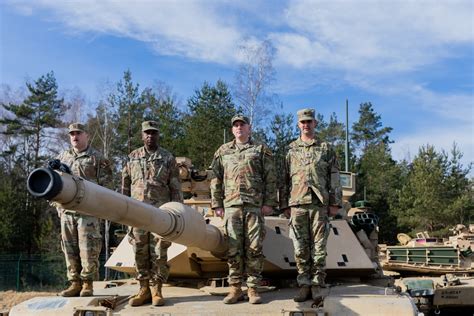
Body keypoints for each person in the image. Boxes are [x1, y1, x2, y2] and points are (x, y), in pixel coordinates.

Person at [210, 115, 277, 304]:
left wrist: (269, 203)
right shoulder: (223, 151)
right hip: (231, 206)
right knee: (233, 249)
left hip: (254, 206)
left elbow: (271, 178)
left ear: (249, 128)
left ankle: (253, 289)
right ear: (232, 130)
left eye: (242, 125)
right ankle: (235, 289)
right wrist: (217, 204)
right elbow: (216, 179)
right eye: (236, 125)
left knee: (254, 248)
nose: (239, 127)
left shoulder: (260, 150)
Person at [280, 108, 342, 302]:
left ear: (315, 123)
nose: (306, 125)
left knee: (319, 248)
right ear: (298, 125)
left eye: (309, 121)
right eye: (303, 122)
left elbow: (335, 177)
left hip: (319, 204)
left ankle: (317, 285)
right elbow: (284, 180)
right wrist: (284, 205)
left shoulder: (325, 148)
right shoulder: (290, 150)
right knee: (300, 248)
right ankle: (304, 285)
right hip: (297, 204)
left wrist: (335, 203)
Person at [122, 120, 183, 307]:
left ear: (158, 135)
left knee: (159, 252)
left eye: (154, 133)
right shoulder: (132, 157)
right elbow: (125, 186)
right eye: (147, 133)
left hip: (160, 213)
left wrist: (178, 212)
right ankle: (143, 289)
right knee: (139, 251)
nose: (150, 136)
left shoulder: (167, 158)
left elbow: (175, 187)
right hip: (137, 213)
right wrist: (124, 212)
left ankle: (157, 289)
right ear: (142, 135)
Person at [57, 123, 113, 297]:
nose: (75, 136)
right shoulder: (62, 157)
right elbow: (55, 184)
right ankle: (74, 283)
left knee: (88, 249)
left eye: (78, 133)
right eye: (72, 134)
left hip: (88, 212)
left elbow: (107, 186)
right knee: (69, 248)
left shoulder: (97, 158)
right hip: (66, 212)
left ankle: (87, 284)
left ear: (86, 135)